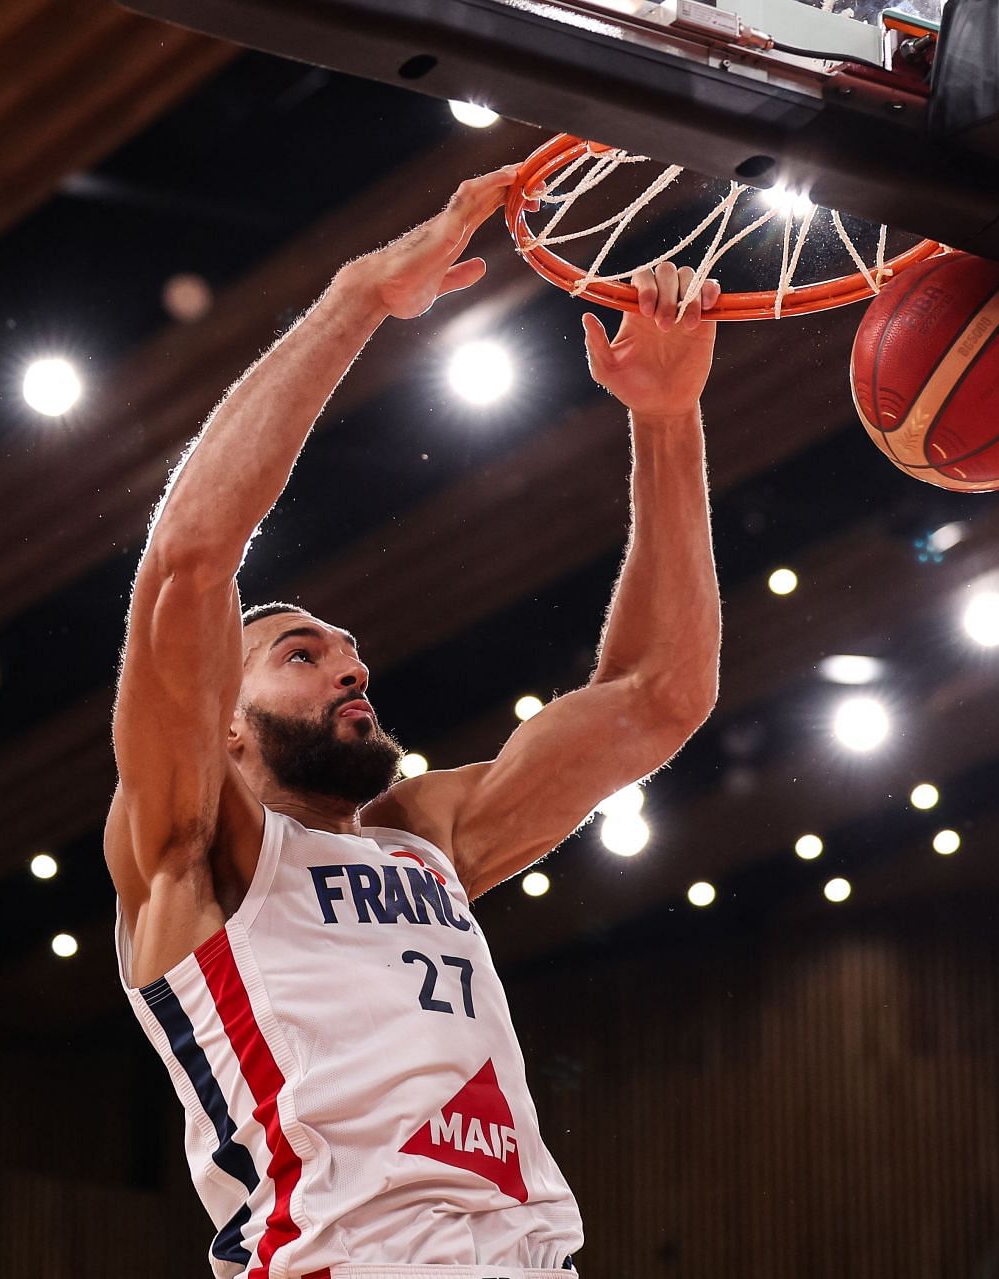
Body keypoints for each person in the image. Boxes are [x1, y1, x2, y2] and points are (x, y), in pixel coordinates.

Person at [103, 164, 723, 1279]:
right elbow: (188, 565)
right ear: (225, 725)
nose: (350, 666)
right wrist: (354, 303)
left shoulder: (426, 840)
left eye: (350, 650)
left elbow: (659, 696)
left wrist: (668, 421)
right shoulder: (196, 859)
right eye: (301, 654)